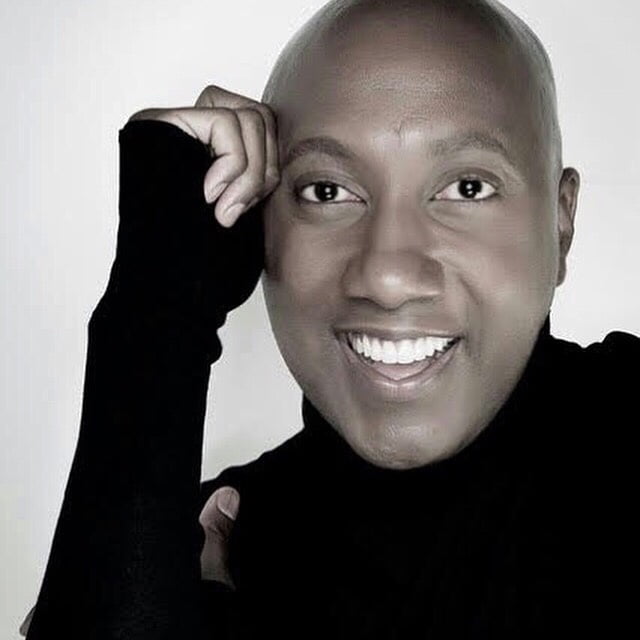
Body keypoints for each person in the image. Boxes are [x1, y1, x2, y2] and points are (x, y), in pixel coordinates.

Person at [22, 0, 638, 638]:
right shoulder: (184, 543)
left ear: (561, 223)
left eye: (467, 188)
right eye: (328, 191)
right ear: (260, 222)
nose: (387, 278)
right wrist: (156, 304)